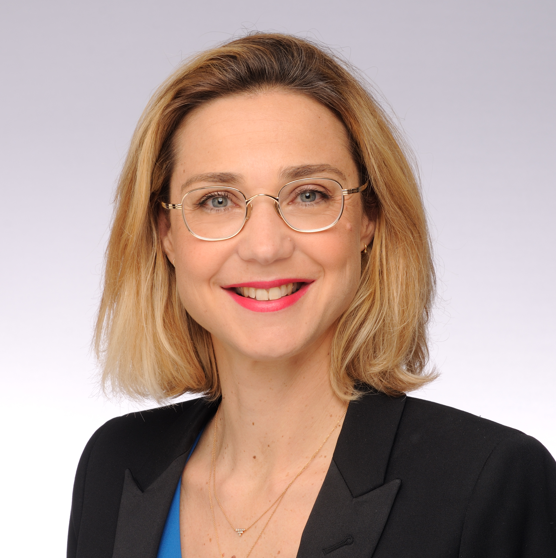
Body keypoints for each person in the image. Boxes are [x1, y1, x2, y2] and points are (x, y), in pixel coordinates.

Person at [68, 33, 556, 558]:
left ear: (369, 218)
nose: (264, 247)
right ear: (165, 233)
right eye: (216, 200)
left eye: (309, 194)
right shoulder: (115, 462)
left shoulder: (491, 482)